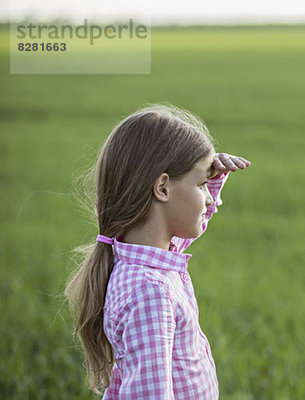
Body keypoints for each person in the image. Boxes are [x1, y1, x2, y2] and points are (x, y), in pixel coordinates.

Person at [64, 104, 251, 399]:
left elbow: (192, 225)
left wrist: (210, 180)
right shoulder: (150, 291)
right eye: (201, 185)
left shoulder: (140, 257)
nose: (212, 199)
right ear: (162, 188)